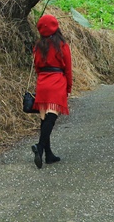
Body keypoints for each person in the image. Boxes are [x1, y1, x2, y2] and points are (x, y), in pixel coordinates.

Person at [31, 13, 72, 168]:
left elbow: (36, 67)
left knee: (44, 119)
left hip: (42, 82)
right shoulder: (62, 45)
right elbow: (68, 69)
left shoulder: (38, 46)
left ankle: (48, 155)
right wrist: (68, 87)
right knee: (51, 117)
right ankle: (40, 147)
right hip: (57, 81)